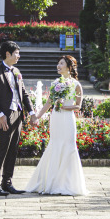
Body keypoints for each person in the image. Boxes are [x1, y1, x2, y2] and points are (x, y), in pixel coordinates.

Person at [25, 55, 88, 196]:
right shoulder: (55, 83)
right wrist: (37, 116)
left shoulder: (76, 85)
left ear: (69, 67)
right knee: (54, 145)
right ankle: (51, 182)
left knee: (68, 146)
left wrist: (65, 107)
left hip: (68, 118)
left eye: (61, 63)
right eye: (58, 63)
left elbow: (78, 106)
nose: (58, 66)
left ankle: (67, 184)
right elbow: (49, 103)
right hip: (56, 118)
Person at [0, 40, 38, 196]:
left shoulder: (16, 71)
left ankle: (7, 183)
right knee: (2, 149)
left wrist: (32, 112)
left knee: (13, 150)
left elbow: (24, 94)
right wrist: (0, 115)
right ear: (8, 54)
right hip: (5, 116)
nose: (18, 56)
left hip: (18, 114)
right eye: (16, 53)